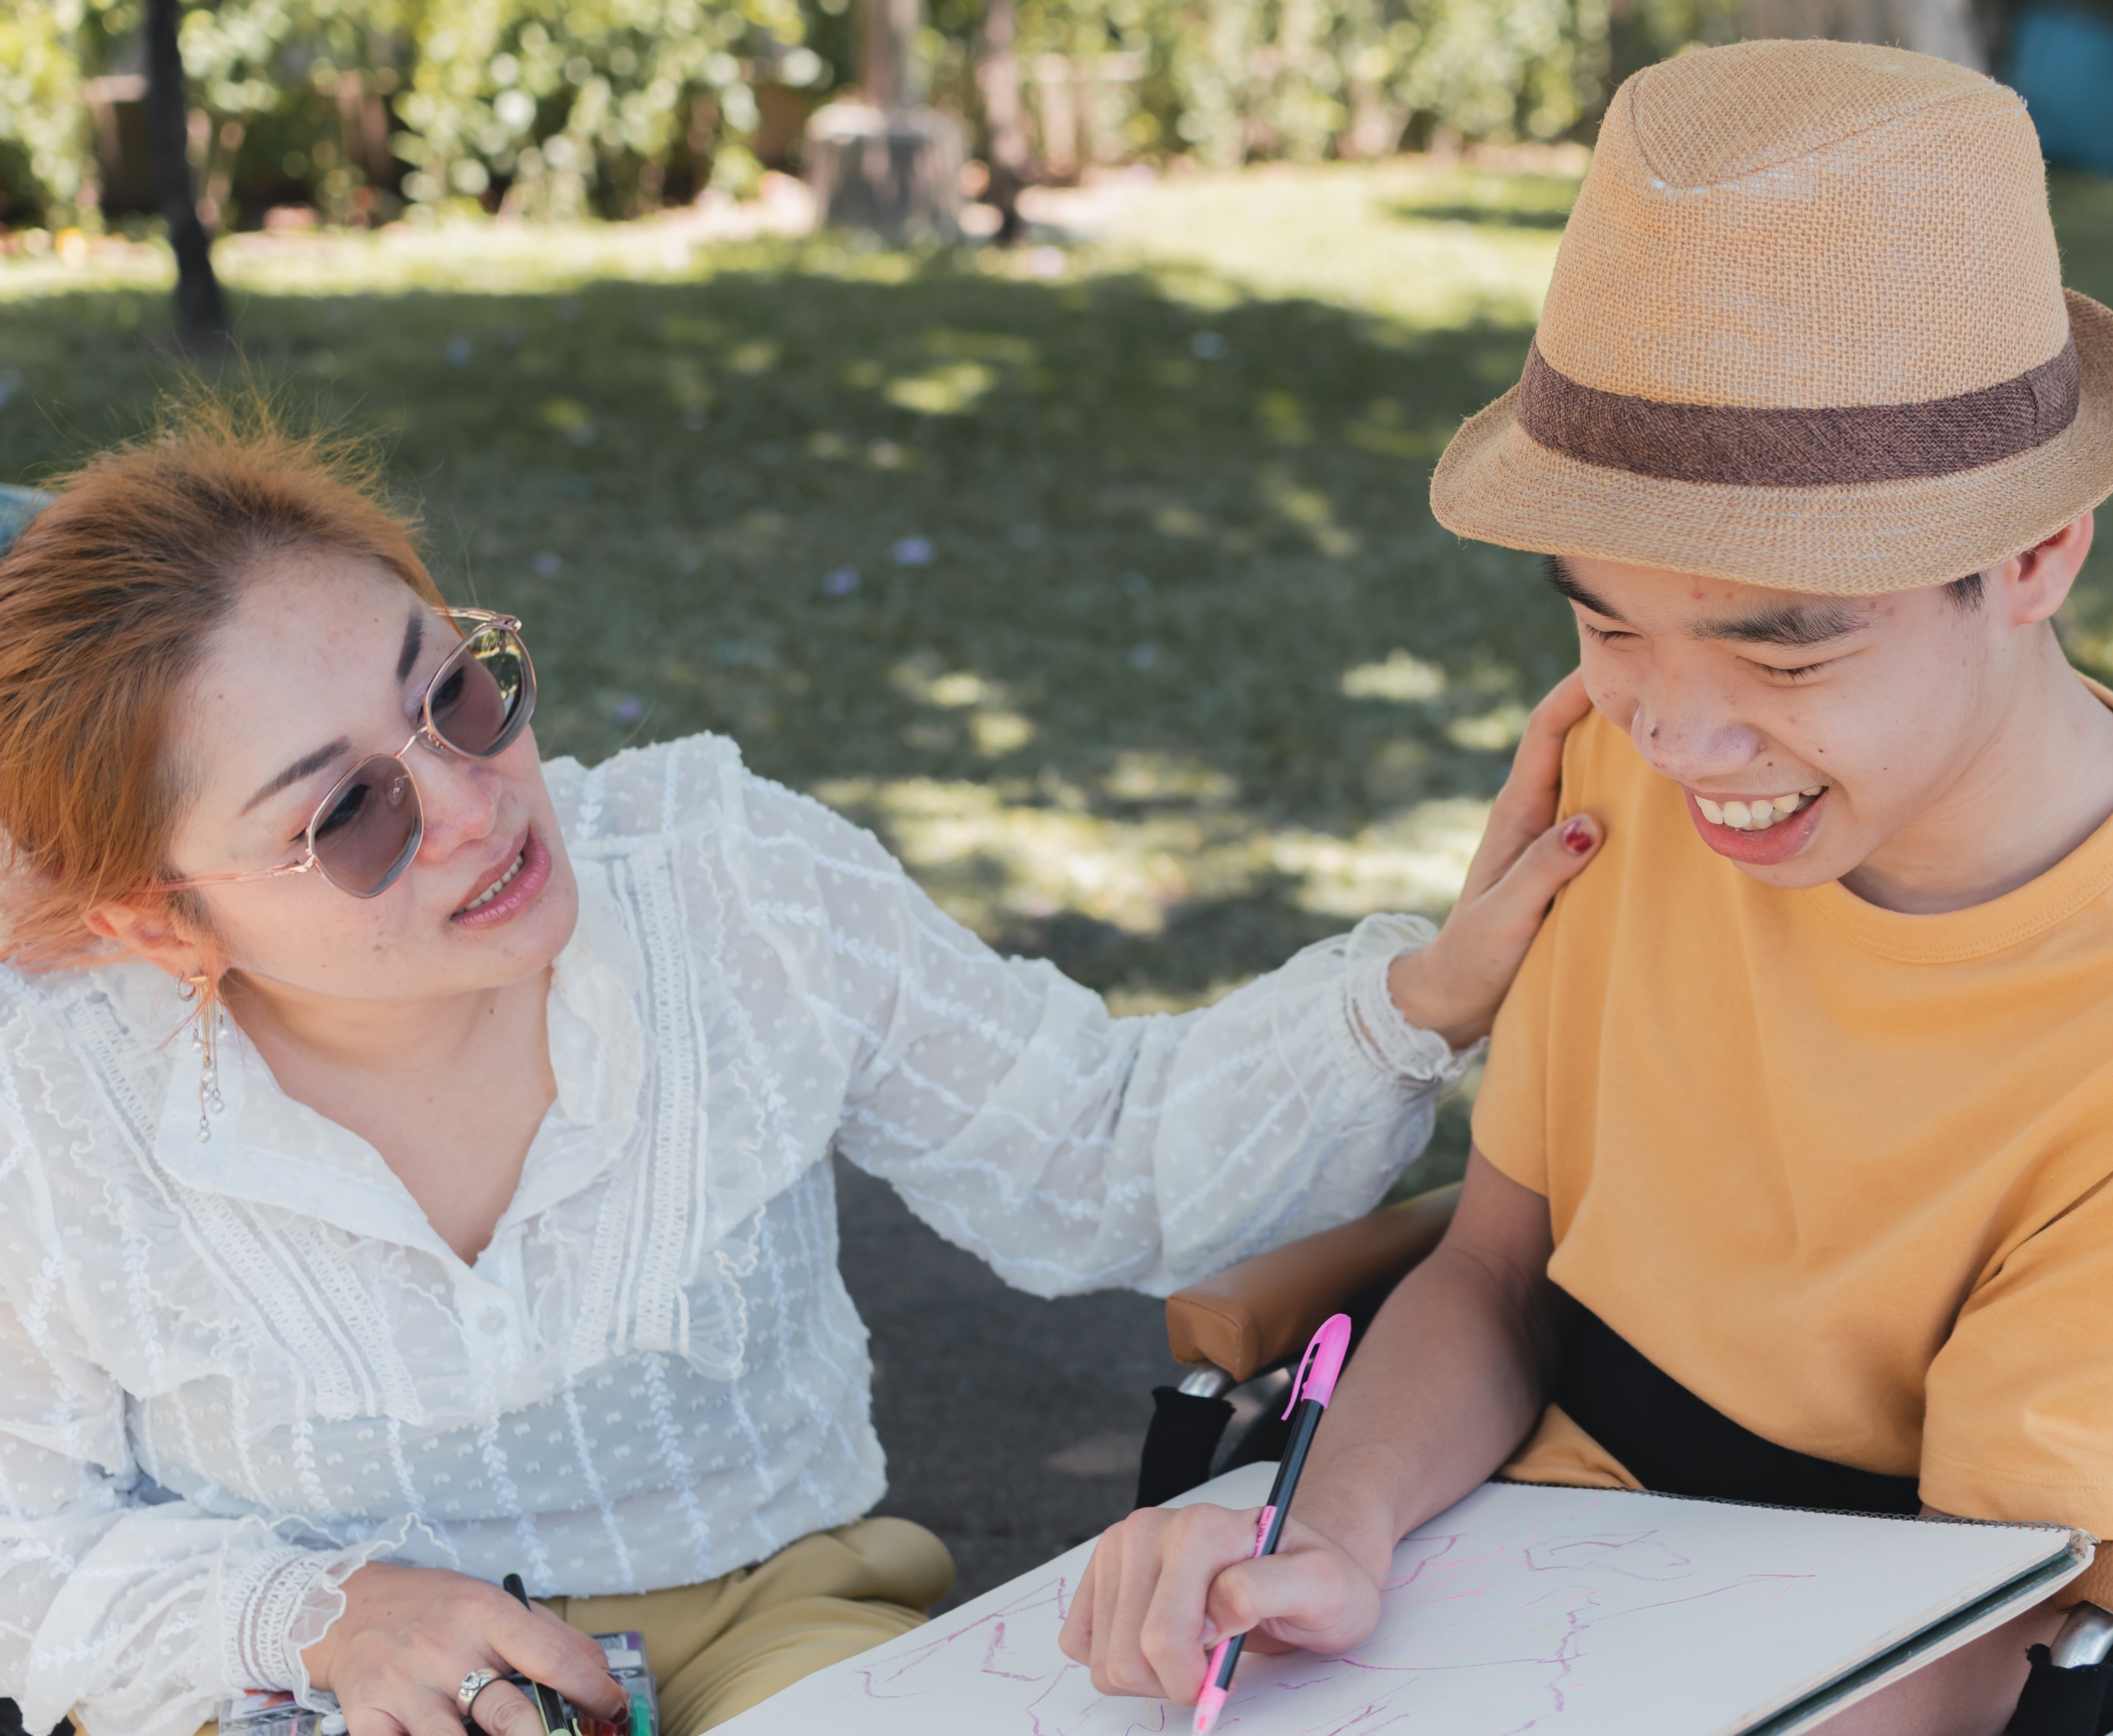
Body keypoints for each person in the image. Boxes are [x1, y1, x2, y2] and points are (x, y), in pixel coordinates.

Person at [1061, 40, 2113, 1736]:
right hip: (1524, 1570)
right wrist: (1330, 1529)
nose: (1677, 732)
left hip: (1884, 1641)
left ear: (2040, 554)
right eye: (1604, 621)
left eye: (1785, 639)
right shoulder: (1621, 783)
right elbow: (1497, 1269)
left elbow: (1981, 1633)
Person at [0, 404, 1606, 1736]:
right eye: (346, 814)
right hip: (330, 1684)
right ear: (156, 914)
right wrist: (323, 1610)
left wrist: (1433, 989)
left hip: (784, 1629)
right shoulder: (62, 1102)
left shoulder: (727, 881)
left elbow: (1098, 1158)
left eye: (458, 690)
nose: (476, 801)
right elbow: (24, 1548)